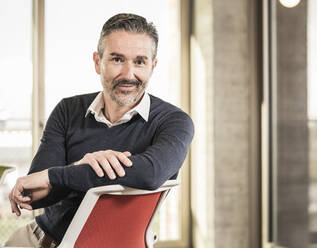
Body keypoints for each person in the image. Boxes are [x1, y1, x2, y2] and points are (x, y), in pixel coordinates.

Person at [5, 13, 194, 248]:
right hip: (38, 240)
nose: (128, 74)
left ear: (152, 66)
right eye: (117, 59)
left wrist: (59, 175)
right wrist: (76, 168)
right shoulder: (68, 110)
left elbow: (150, 174)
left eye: (140, 61)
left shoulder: (174, 122)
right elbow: (35, 195)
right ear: (97, 62)